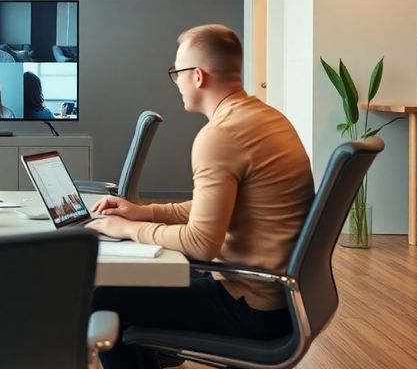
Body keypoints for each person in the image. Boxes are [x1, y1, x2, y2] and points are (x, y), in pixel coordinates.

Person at [87, 24, 315, 369]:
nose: (175, 82)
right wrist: (144, 213)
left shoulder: (219, 135)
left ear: (197, 76)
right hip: (277, 297)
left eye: (175, 73)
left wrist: (125, 229)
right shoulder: (265, 118)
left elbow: (200, 242)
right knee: (136, 283)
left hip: (251, 307)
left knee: (104, 297)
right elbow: (226, 210)